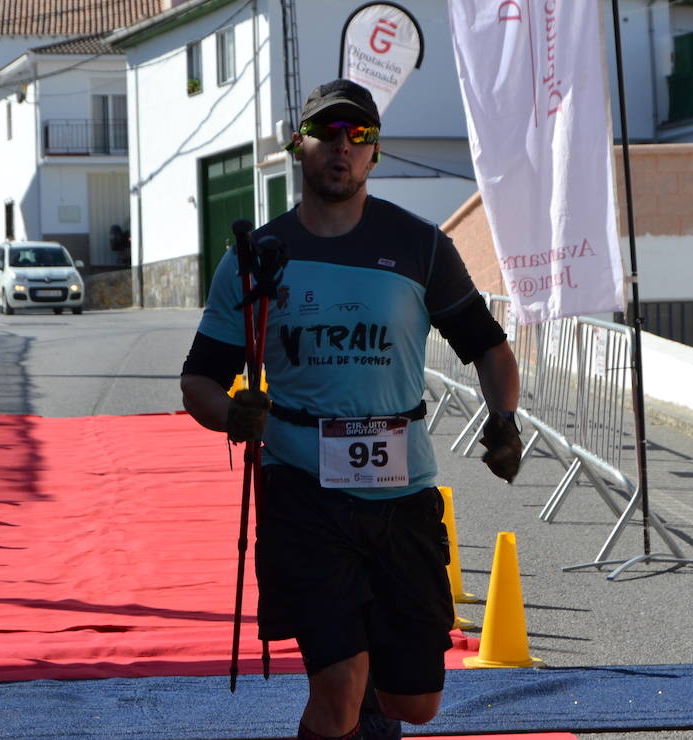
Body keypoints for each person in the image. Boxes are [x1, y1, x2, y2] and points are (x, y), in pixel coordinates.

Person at [179, 79, 522, 740]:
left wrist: (503, 424)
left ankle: (369, 695)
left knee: (413, 704)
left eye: (357, 135)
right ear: (296, 147)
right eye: (326, 133)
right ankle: (349, 689)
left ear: (375, 153)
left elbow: (490, 349)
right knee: (338, 689)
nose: (342, 146)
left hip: (403, 500)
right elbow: (199, 381)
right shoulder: (255, 260)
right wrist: (232, 415)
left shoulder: (420, 247)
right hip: (302, 493)